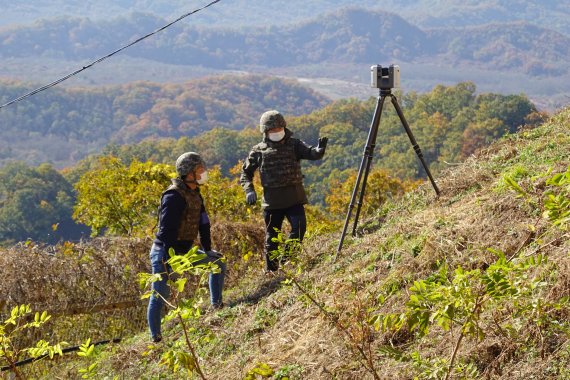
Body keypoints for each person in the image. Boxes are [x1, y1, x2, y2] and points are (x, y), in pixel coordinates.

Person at [147, 152, 226, 343]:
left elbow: (204, 224)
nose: (203, 173)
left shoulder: (195, 195)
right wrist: (170, 261)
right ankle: (155, 338)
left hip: (184, 252)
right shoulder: (173, 196)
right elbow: (166, 231)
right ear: (188, 173)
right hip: (165, 252)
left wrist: (207, 249)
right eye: (199, 170)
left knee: (217, 263)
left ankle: (217, 306)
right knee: (160, 295)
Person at [240, 110, 328, 272]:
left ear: (284, 127)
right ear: (265, 132)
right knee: (272, 238)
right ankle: (271, 271)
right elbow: (245, 173)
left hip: (294, 199)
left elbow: (310, 153)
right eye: (272, 130)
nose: (276, 132)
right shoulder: (258, 151)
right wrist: (249, 190)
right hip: (272, 203)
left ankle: (287, 261)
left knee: (299, 228)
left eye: (279, 129)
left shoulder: (294, 144)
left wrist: (319, 150)